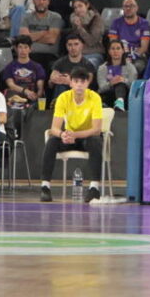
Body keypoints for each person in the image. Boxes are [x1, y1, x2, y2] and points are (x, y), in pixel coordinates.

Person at [39, 67, 105, 203]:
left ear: (87, 83)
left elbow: (96, 130)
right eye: (76, 81)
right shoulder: (63, 98)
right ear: (71, 83)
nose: (79, 84)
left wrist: (75, 134)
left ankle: (94, 188)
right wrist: (62, 134)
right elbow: (54, 128)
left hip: (87, 138)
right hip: (70, 138)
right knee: (52, 141)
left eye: (83, 81)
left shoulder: (95, 98)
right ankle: (45, 187)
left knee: (96, 140)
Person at [20, 0, 64, 71]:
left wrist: (31, 36)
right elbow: (24, 39)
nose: (41, 2)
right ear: (33, 1)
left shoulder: (56, 17)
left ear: (48, 1)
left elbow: (51, 39)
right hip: (30, 55)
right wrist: (44, 32)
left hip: (49, 56)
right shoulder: (26, 17)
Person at [1, 35, 46, 111]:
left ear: (30, 49)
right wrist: (25, 91)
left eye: (26, 47)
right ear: (16, 49)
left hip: (32, 96)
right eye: (20, 47)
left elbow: (40, 87)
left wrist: (37, 95)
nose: (23, 50)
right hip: (16, 95)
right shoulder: (10, 67)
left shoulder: (37, 67)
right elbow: (11, 85)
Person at [108, 0, 150, 74]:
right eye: (126, 6)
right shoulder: (116, 23)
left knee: (135, 68)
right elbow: (113, 44)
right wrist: (123, 57)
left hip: (138, 57)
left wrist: (131, 57)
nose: (128, 8)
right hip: (120, 56)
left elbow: (144, 47)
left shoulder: (144, 23)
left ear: (136, 8)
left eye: (131, 6)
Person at [98, 40, 137, 112]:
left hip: (126, 95)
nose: (115, 51)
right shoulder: (102, 68)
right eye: (113, 49)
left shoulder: (130, 67)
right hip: (109, 94)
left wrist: (123, 80)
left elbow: (134, 86)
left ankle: (120, 103)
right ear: (109, 51)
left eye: (118, 48)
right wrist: (111, 83)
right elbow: (101, 88)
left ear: (123, 51)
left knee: (120, 84)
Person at [67, 0, 105, 67]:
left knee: (86, 66)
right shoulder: (74, 20)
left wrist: (80, 27)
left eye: (80, 6)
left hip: (93, 53)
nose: (78, 9)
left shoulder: (96, 19)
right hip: (77, 54)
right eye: (75, 7)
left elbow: (92, 41)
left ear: (87, 5)